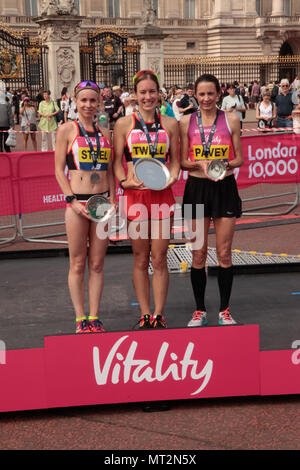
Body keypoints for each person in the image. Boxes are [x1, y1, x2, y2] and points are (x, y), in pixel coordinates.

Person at [113, 70, 180, 329]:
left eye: (152, 91)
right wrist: (123, 182)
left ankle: (159, 313)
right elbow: (116, 163)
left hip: (162, 196)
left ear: (159, 93)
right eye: (143, 92)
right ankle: (144, 312)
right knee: (140, 258)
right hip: (135, 196)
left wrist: (172, 177)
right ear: (135, 95)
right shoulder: (123, 124)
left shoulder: (170, 124)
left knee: (160, 258)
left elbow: (175, 161)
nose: (148, 96)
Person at [180, 73, 243, 327]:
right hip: (196, 187)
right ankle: (199, 310)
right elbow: (182, 161)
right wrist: (200, 164)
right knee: (199, 253)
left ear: (219, 94)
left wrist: (221, 164)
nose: (206, 98)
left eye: (210, 93)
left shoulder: (231, 119)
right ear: (195, 95)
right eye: (201, 94)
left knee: (225, 253)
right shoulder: (185, 122)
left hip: (224, 186)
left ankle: (224, 310)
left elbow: (239, 159)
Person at [55, 80, 115, 334]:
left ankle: (94, 315)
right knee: (78, 262)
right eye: (84, 100)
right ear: (75, 102)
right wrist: (70, 200)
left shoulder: (105, 132)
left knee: (98, 263)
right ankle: (80, 318)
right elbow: (59, 170)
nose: (88, 105)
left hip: (101, 203)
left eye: (93, 100)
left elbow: (110, 171)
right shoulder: (67, 130)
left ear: (99, 102)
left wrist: (113, 198)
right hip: (77, 204)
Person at [0, 88, 14, 152]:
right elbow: (10, 115)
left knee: (6, 139)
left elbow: (10, 115)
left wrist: (12, 124)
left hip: (6, 124)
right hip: (5, 124)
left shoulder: (7, 104)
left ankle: (6, 151)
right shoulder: (7, 104)